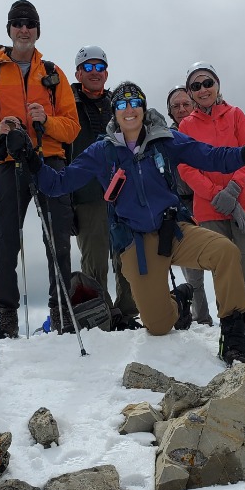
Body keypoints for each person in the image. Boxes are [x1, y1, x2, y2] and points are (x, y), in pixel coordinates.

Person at [4, 82, 245, 364]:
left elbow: (211, 156)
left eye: (135, 103)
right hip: (136, 241)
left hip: (174, 230)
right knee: (158, 326)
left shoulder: (165, 140)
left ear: (144, 109)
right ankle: (179, 300)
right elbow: (57, 184)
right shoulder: (102, 152)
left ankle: (232, 339)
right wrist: (30, 159)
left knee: (225, 252)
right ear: (115, 113)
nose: (129, 109)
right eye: (122, 105)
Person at [0, 0, 80, 338]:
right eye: (17, 23)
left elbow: (71, 127)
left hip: (49, 159)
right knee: (4, 239)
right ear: (9, 29)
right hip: (10, 162)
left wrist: (46, 120)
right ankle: (7, 317)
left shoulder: (52, 73)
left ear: (37, 31)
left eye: (29, 24)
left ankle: (61, 311)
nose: (23, 29)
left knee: (58, 237)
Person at [176, 65, 245, 324]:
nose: (203, 90)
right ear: (191, 92)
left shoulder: (236, 115)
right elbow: (185, 168)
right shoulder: (185, 126)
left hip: (244, 202)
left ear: (217, 84)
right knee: (223, 268)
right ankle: (231, 321)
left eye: (207, 83)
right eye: (196, 86)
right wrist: (217, 196)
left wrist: (233, 191)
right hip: (209, 209)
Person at [70, 45, 139, 329]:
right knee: (95, 259)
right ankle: (101, 315)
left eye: (100, 67)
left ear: (106, 73)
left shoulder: (117, 104)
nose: (94, 72)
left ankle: (128, 311)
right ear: (78, 73)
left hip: (122, 192)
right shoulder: (67, 104)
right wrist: (66, 201)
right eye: (88, 67)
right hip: (86, 194)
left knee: (127, 253)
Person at [166, 85, 213, 326]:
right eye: (176, 106)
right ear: (170, 111)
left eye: (186, 104)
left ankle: (235, 314)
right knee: (192, 270)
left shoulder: (206, 128)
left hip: (212, 200)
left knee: (223, 257)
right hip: (182, 205)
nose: (182, 109)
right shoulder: (164, 139)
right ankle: (201, 317)